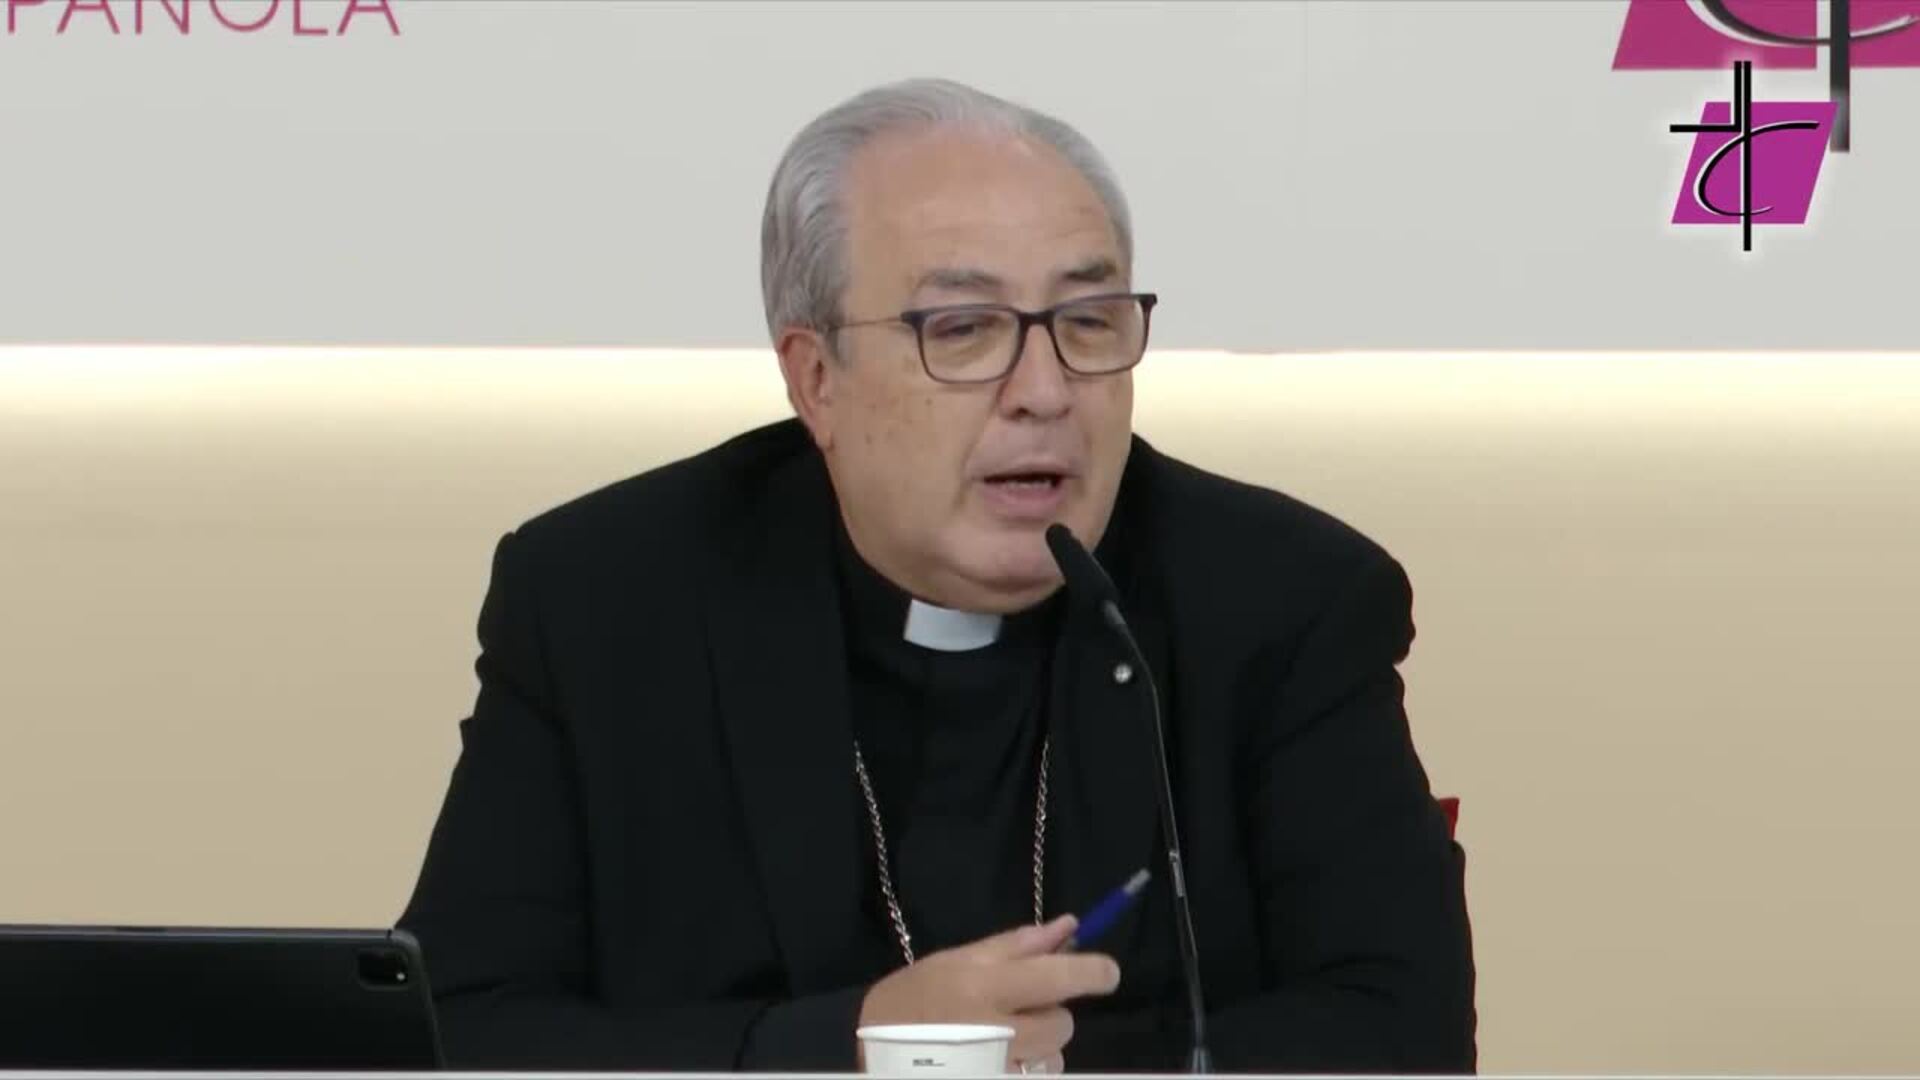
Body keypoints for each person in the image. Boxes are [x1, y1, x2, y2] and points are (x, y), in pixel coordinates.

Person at [397, 77, 1475, 1074]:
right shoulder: (603, 602)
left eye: (1088, 322)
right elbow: (452, 1030)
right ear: (817, 380)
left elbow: (1403, 1030)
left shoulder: (1285, 602)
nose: (1045, 390)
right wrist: (855, 1046)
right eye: (963, 330)